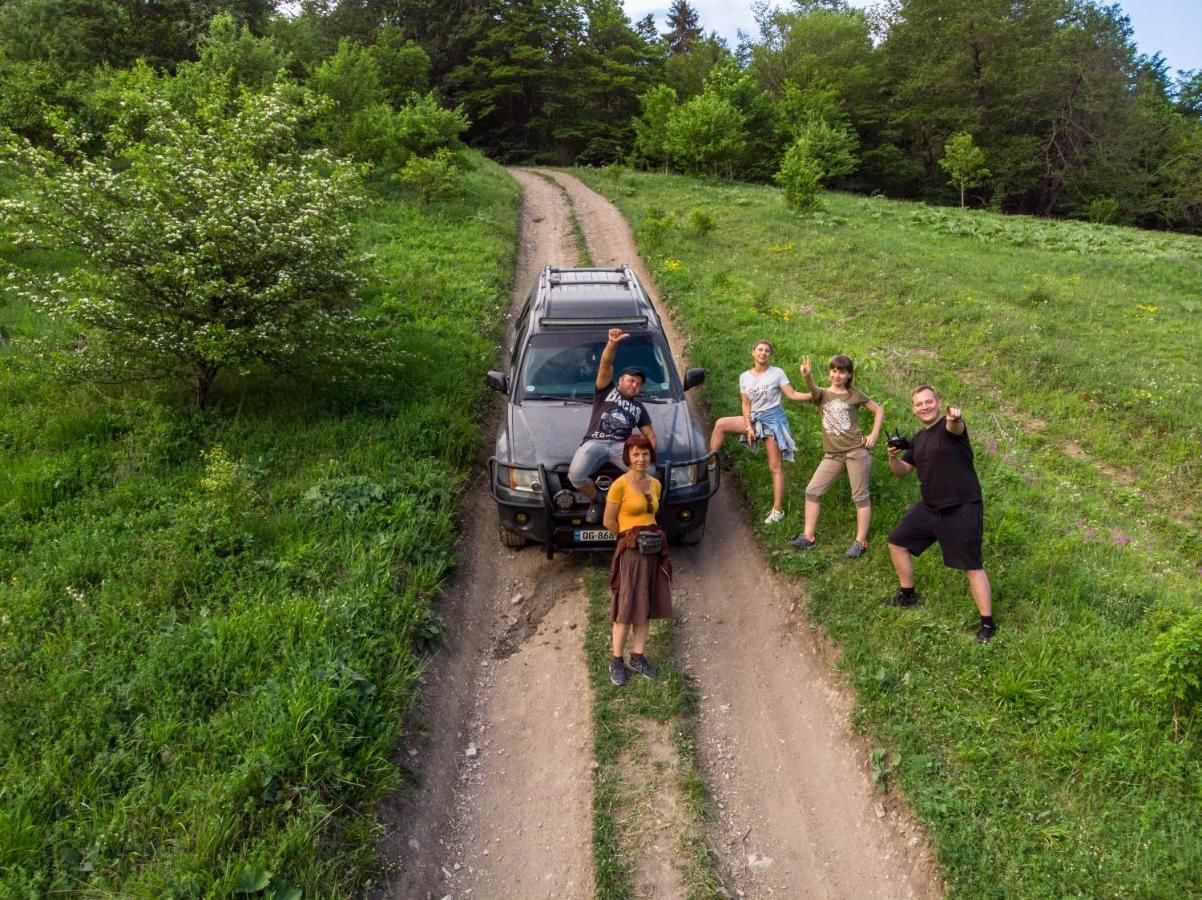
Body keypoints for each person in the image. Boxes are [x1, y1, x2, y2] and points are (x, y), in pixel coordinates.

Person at [882, 385, 996, 643]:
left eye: (928, 402)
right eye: (919, 404)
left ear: (938, 402)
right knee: (897, 541)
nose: (924, 407)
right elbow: (902, 471)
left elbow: (955, 426)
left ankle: (988, 624)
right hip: (930, 508)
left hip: (962, 507)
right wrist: (892, 458)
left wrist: (956, 417)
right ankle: (907, 596)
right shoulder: (918, 439)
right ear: (913, 408)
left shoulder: (950, 428)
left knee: (971, 566)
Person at [790, 354, 884, 558]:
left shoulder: (855, 395)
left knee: (860, 497)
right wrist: (807, 377)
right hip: (832, 455)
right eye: (833, 370)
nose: (837, 375)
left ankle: (860, 542)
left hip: (856, 452)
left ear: (849, 374)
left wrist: (873, 435)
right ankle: (808, 537)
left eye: (841, 371)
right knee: (812, 491)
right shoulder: (822, 394)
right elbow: (813, 390)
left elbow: (878, 410)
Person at [707, 339, 811, 524]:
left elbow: (792, 394)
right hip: (754, 419)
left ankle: (777, 510)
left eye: (767, 351)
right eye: (760, 350)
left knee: (775, 467)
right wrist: (748, 427)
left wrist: (815, 394)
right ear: (753, 352)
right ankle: (709, 462)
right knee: (721, 424)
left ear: (770, 355)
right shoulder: (744, 377)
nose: (763, 353)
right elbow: (746, 404)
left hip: (773, 421)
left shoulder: (777, 373)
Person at [568, 327, 657, 524]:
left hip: (620, 446)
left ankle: (633, 507)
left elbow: (650, 435)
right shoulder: (605, 391)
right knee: (576, 475)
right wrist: (612, 343)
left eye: (639, 384)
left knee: (650, 474)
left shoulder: (639, 408)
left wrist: (648, 456)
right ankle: (598, 500)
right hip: (595, 441)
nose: (635, 385)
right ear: (620, 381)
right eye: (631, 380)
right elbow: (605, 364)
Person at [603, 433, 672, 686]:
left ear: (650, 455)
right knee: (626, 606)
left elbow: (653, 514)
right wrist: (627, 539)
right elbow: (609, 521)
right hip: (631, 554)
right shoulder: (619, 485)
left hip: (652, 551)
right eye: (635, 454)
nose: (640, 458)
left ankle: (638, 656)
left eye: (644, 453)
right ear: (628, 457)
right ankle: (617, 660)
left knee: (646, 605)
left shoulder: (655, 484)